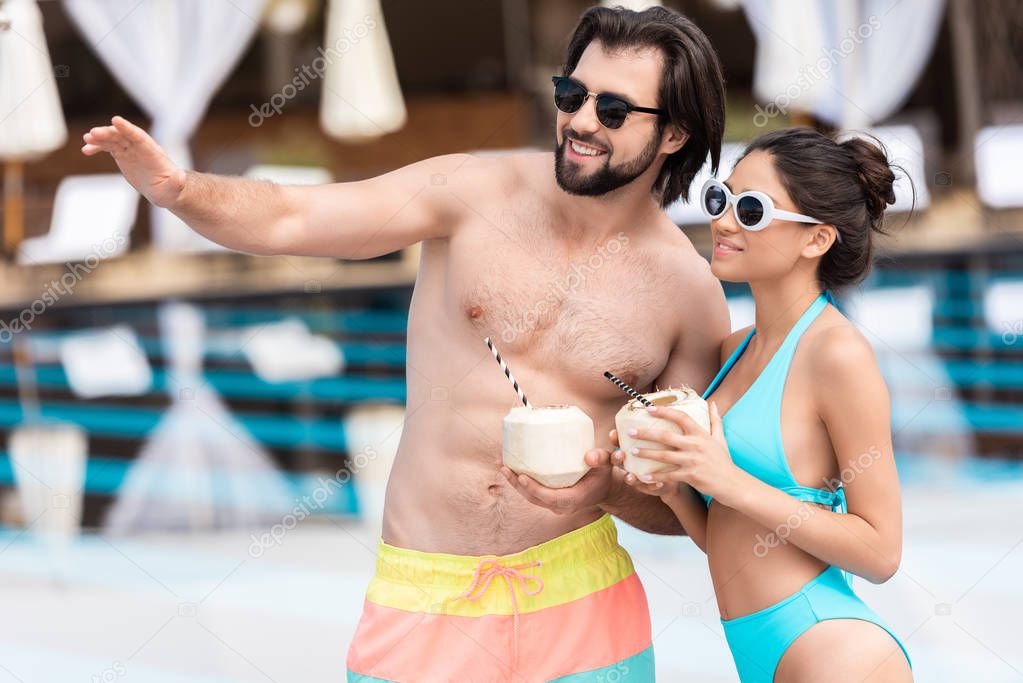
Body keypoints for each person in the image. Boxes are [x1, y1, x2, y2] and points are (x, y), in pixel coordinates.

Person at [81, 6, 730, 681]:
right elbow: (296, 216)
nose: (583, 121)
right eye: (573, 94)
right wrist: (181, 191)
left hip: (585, 608)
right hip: (424, 599)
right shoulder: (474, 191)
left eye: (616, 109)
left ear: (674, 132)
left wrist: (607, 490)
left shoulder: (687, 294)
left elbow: (686, 506)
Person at [614, 127, 914, 682]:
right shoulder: (735, 351)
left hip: (831, 650)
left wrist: (725, 479)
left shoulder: (837, 355)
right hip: (757, 645)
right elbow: (732, 537)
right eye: (720, 198)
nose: (723, 222)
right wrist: (678, 490)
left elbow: (881, 552)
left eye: (751, 209)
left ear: (816, 240)